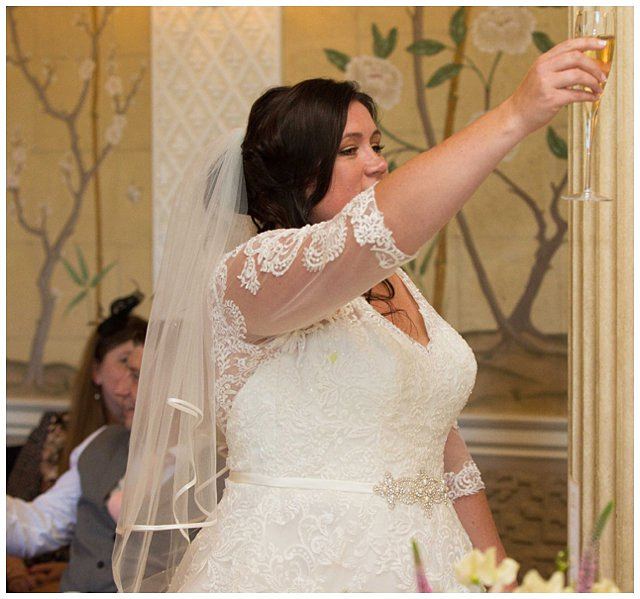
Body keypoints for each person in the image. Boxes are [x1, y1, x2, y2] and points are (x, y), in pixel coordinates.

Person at [113, 37, 608, 592]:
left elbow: (447, 458)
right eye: (350, 150)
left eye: (376, 143)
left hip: (433, 563)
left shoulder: (395, 286)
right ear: (298, 173)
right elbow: (377, 227)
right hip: (298, 565)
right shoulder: (252, 272)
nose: (377, 163)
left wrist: (502, 581)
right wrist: (515, 114)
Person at [6, 308, 146, 593]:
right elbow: (38, 525)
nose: (123, 391)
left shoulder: (206, 463)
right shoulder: (100, 443)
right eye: (126, 370)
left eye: (137, 375)